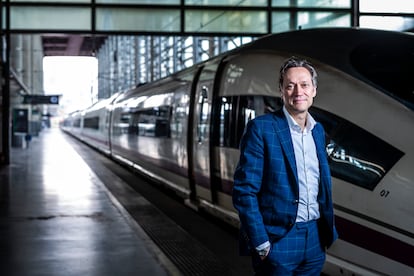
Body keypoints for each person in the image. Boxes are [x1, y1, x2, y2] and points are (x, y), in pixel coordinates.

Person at [232, 56, 338, 275]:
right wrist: (261, 243)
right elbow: (244, 191)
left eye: (304, 85)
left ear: (314, 90)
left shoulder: (318, 131)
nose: (298, 91)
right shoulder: (261, 129)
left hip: (315, 238)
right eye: (290, 86)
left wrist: (325, 234)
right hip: (278, 239)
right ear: (281, 91)